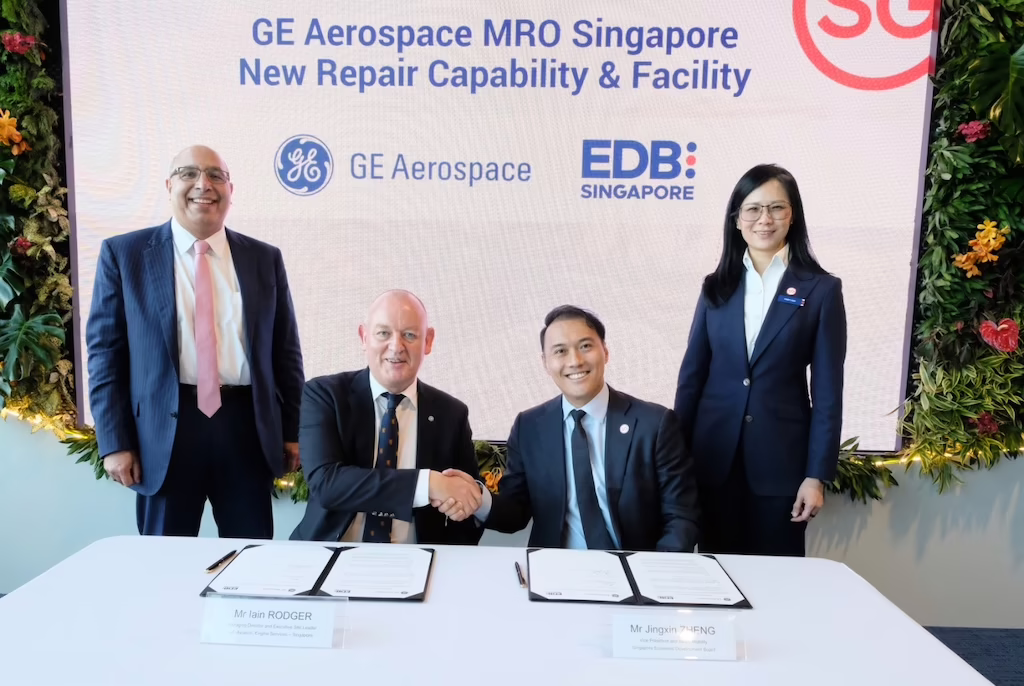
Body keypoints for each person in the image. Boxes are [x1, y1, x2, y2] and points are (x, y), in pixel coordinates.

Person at [86, 145, 305, 538]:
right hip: (164, 432)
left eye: (215, 175)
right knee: (163, 564)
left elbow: (285, 352)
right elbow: (106, 355)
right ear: (169, 186)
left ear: (230, 189)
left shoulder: (264, 258)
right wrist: (114, 441)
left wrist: (293, 430)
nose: (202, 184)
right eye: (188, 174)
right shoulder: (125, 255)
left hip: (246, 430)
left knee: (250, 560)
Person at [674, 163, 847, 557]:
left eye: (776, 208)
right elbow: (691, 380)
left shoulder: (820, 290)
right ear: (736, 220)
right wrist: (675, 462)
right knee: (714, 578)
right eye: (752, 209)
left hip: (781, 467)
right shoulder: (716, 286)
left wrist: (815, 476)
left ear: (793, 216)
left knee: (779, 587)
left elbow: (828, 395)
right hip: (712, 461)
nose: (764, 220)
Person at [439, 305, 700, 552]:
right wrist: (477, 498)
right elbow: (514, 514)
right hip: (555, 573)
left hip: (633, 572)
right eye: (560, 351)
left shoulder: (654, 424)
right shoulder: (529, 427)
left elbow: (681, 516)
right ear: (545, 363)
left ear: (605, 352)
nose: (574, 361)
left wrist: (654, 572)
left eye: (585, 346)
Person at [290, 290, 485, 544]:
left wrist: (462, 508)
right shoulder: (325, 395)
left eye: (410, 335)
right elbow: (327, 484)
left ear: (428, 341)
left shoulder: (452, 413)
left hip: (417, 562)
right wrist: (428, 484)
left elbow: (465, 500)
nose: (396, 346)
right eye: (383, 333)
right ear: (364, 337)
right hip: (330, 553)